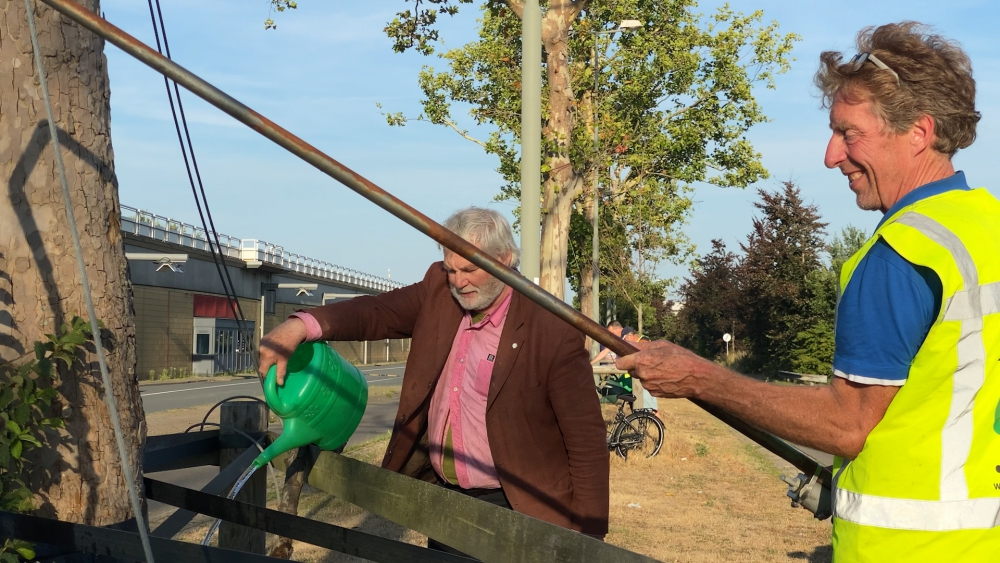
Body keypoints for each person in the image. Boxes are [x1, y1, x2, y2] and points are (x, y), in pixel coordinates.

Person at [617, 22, 998, 562]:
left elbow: (847, 425)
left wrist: (698, 376)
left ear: (918, 131)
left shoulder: (902, 253)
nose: (830, 155)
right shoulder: (987, 226)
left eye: (850, 133)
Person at [259, 207, 610, 552]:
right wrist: (300, 326)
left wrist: (590, 538)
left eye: (469, 269)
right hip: (445, 499)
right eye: (450, 269)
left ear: (504, 259)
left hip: (517, 506)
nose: (458, 281)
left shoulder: (551, 329)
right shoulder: (439, 291)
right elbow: (377, 312)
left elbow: (585, 437)